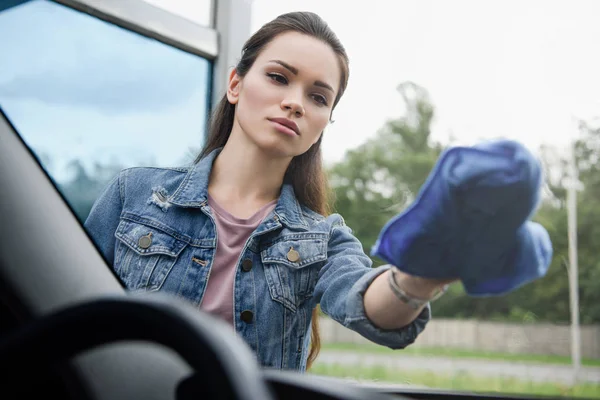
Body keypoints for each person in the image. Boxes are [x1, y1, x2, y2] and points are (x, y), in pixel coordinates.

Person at [85, 11, 454, 372]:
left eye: (318, 97)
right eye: (278, 77)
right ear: (235, 84)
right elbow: (65, 307)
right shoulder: (134, 194)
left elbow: (370, 305)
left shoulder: (322, 238)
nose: (295, 102)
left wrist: (418, 278)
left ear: (324, 122)